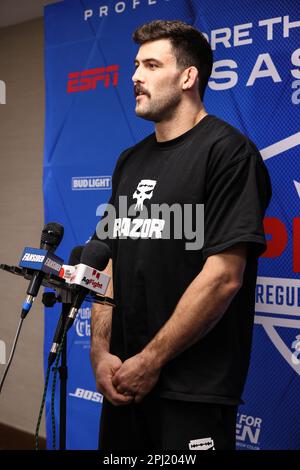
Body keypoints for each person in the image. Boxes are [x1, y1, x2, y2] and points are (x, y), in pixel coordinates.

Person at [90, 19, 271, 451]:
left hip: (190, 391)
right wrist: (99, 352)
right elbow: (108, 259)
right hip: (121, 380)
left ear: (188, 76)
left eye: (151, 65)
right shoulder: (129, 161)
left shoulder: (229, 154)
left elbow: (224, 276)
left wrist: (150, 361)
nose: (135, 76)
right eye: (136, 65)